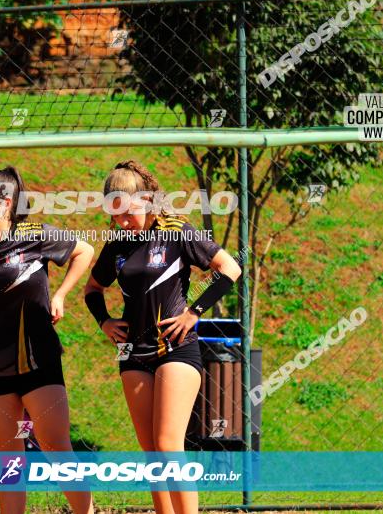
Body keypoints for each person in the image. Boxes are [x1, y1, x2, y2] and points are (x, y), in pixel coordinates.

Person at [83, 161, 242, 514]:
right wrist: (105, 322)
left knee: (169, 446)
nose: (122, 222)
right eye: (115, 215)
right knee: (152, 453)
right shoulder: (118, 244)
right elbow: (93, 289)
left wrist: (193, 313)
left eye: (128, 213)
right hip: (132, 354)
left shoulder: (177, 231)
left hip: (176, 349)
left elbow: (230, 268)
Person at [0, 166, 95, 514]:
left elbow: (83, 251)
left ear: (5, 203)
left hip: (38, 360)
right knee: (9, 461)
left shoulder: (35, 235)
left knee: (57, 448)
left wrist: (60, 296)